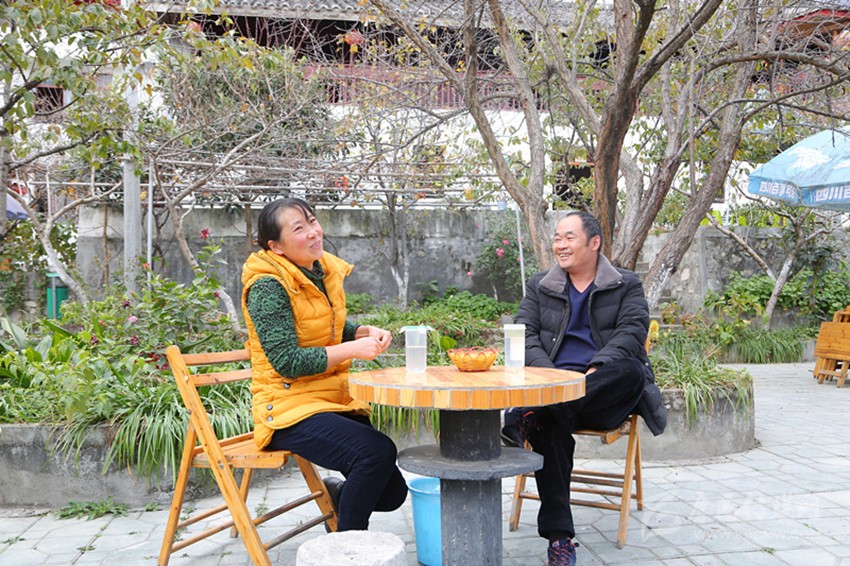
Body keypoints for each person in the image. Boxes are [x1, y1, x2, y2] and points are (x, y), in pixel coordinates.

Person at [501, 211, 666, 566]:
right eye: (557, 238)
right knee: (550, 424)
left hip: (601, 395)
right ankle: (560, 539)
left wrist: (593, 371)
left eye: (569, 237)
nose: (560, 245)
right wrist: (553, 380)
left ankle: (535, 413)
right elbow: (524, 334)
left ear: (594, 242)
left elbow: (632, 332)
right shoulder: (541, 285)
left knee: (631, 371)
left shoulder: (625, 284)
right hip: (554, 391)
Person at [240, 197, 408, 531]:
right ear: (276, 246)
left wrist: (360, 332)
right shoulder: (267, 286)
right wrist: (352, 350)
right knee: (374, 453)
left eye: (312, 221)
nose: (314, 232)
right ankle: (347, 546)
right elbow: (287, 360)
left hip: (325, 399)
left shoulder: (319, 271)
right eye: (298, 228)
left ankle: (339, 495)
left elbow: (322, 327)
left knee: (392, 493)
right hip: (285, 408)